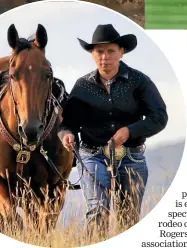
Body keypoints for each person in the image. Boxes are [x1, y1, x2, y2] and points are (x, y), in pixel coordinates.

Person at [58, 24, 168, 234]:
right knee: (98, 212)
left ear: (121, 52)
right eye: (99, 51)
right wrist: (67, 134)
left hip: (132, 156)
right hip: (92, 156)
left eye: (110, 51)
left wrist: (130, 131)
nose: (104, 57)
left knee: (130, 218)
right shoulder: (82, 86)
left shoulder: (139, 81)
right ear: (92, 54)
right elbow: (66, 124)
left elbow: (160, 117)